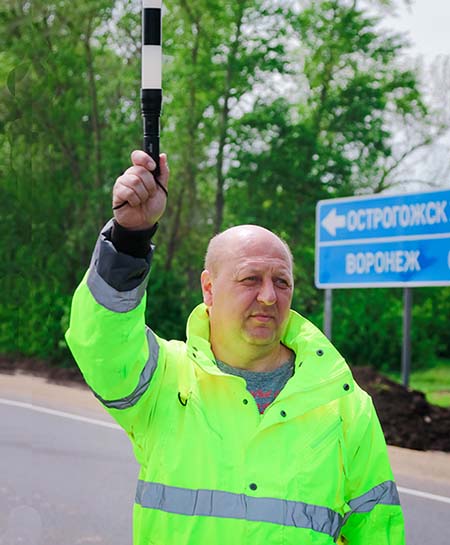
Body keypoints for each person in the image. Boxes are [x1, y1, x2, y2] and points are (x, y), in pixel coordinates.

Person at [66, 150, 405, 545]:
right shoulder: (164, 379)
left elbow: (378, 531)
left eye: (281, 282)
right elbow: (102, 344)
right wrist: (129, 239)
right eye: (250, 279)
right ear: (209, 289)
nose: (268, 296)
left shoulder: (345, 404)